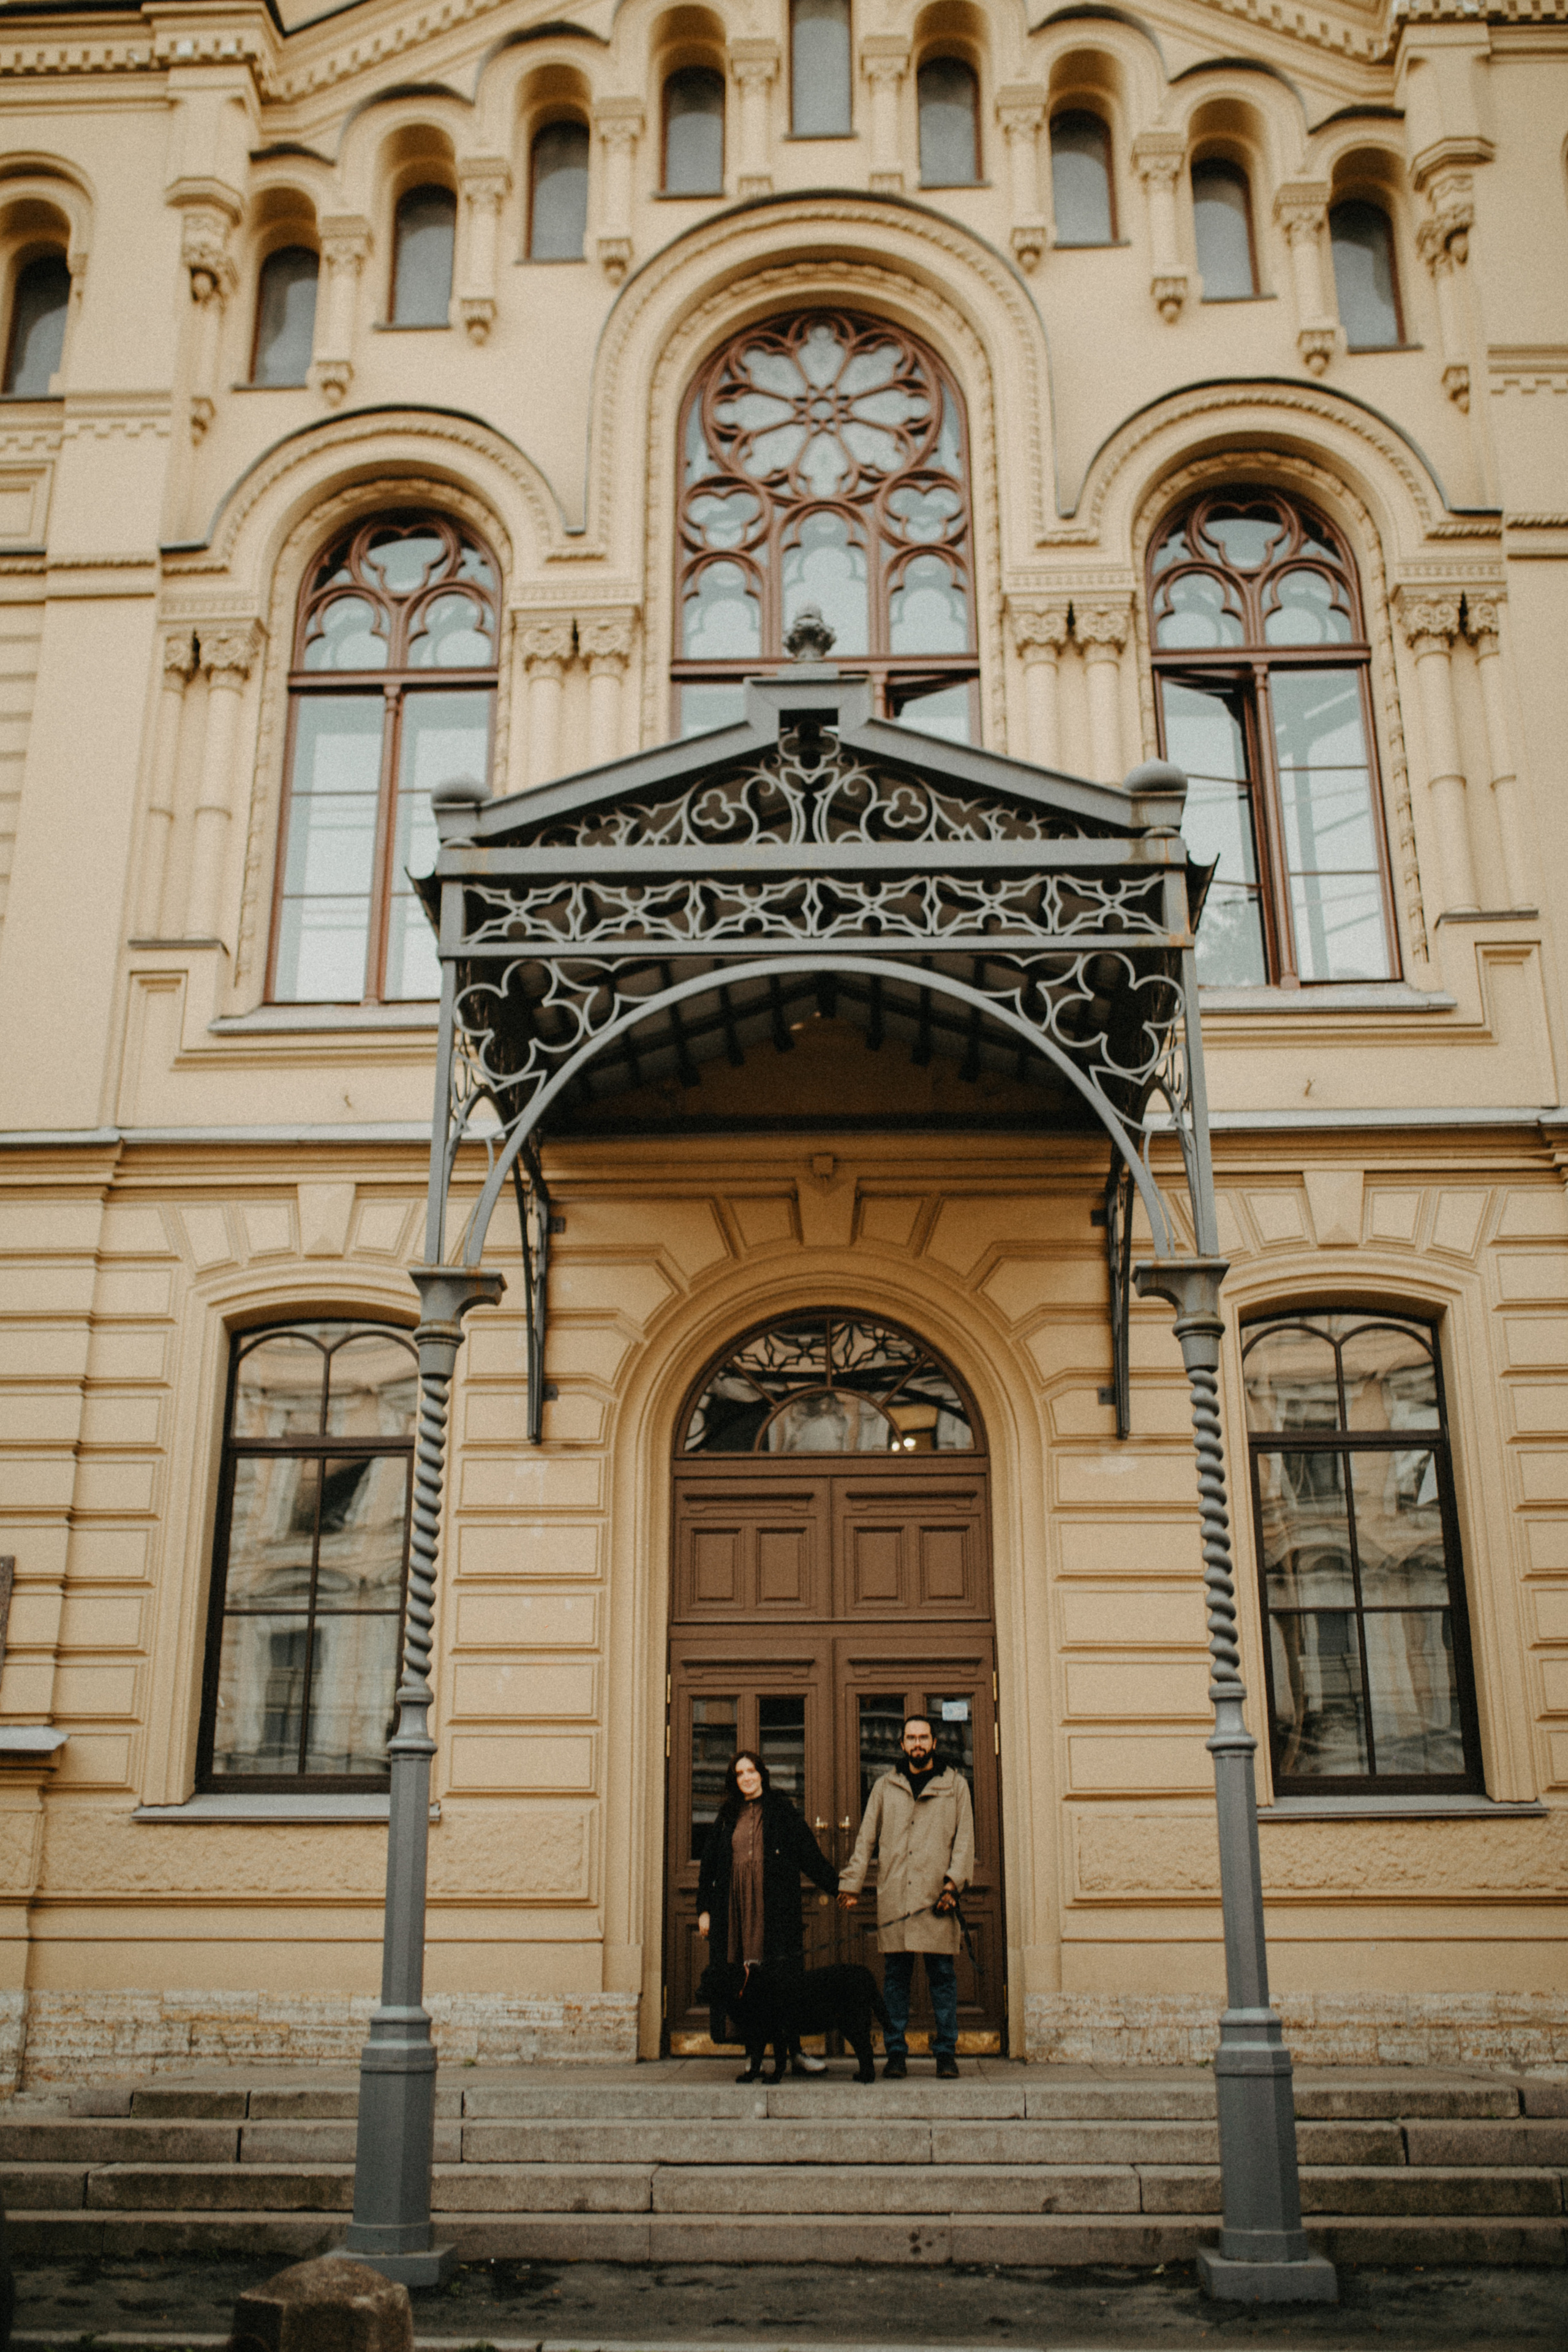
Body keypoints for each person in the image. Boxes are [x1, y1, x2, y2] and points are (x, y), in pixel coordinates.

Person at [837, 1712, 974, 2079]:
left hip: (936, 1898)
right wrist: (852, 1883)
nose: (917, 1744)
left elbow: (964, 1842)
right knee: (895, 1979)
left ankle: (946, 2052)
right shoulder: (885, 1786)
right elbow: (866, 1838)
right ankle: (896, 2052)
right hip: (896, 1897)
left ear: (933, 1743)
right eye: (911, 1738)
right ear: (902, 1744)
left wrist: (953, 1885)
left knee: (942, 1978)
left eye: (923, 1738)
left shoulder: (955, 1785)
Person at [697, 1749, 838, 2078]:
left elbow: (808, 1852)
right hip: (736, 1913)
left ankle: (796, 2052)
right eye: (740, 1773)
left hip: (774, 1910)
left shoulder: (781, 1809)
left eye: (751, 1771)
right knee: (746, 1986)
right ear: (735, 1780)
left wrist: (838, 1888)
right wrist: (704, 1910)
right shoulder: (727, 1815)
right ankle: (754, 2053)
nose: (747, 1778)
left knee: (784, 1981)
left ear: (762, 1773)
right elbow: (709, 1866)